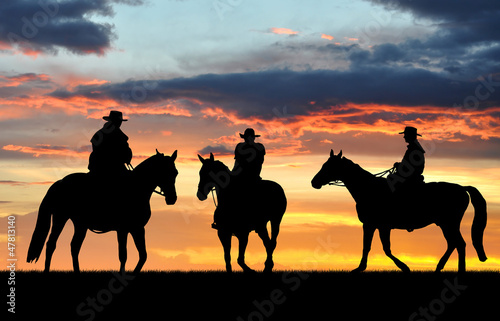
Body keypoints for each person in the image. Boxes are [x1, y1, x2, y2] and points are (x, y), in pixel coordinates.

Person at [88, 111, 132, 176]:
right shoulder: (119, 135)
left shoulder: (100, 133)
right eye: (118, 121)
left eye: (120, 121)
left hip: (97, 165)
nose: (120, 123)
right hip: (113, 166)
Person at [388, 126, 426, 193]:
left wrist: (398, 166)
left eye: (405, 135)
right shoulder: (415, 148)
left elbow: (409, 168)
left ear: (410, 136)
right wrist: (400, 165)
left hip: (410, 179)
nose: (404, 137)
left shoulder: (414, 149)